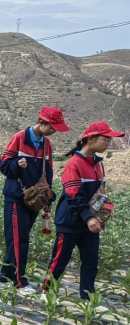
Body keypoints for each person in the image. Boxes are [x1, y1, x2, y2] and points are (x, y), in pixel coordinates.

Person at [44, 122, 124, 299]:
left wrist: (102, 214)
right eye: (105, 139)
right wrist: (88, 218)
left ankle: (87, 298)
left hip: (90, 223)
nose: (108, 143)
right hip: (71, 222)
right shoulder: (74, 164)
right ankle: (46, 293)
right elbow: (74, 196)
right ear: (92, 139)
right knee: (59, 261)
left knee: (90, 262)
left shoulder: (98, 164)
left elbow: (99, 193)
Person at [0, 107, 69, 294]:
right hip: (16, 197)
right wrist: (16, 164)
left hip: (36, 199)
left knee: (19, 239)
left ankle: (4, 276)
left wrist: (48, 201)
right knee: (20, 240)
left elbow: (49, 173)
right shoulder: (20, 138)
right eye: (52, 127)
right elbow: (3, 164)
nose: (54, 131)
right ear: (42, 122)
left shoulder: (47, 144)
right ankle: (19, 281)